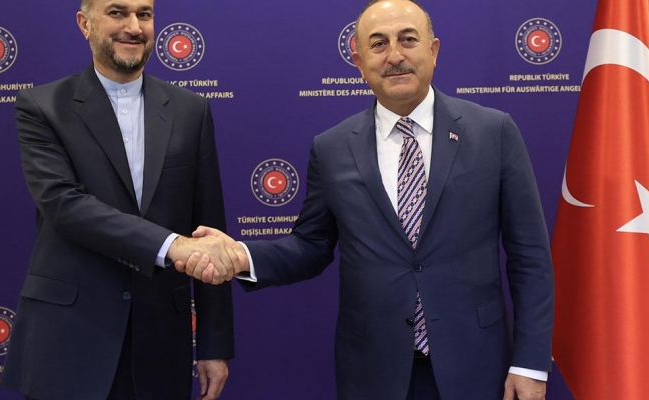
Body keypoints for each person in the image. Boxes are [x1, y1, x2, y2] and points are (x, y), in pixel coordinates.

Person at [178, 1, 554, 399]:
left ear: (434, 50)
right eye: (378, 44)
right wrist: (241, 256)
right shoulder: (332, 148)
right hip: (374, 372)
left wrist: (530, 364)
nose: (395, 55)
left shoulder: (493, 132)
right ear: (359, 62)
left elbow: (530, 257)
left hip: (477, 367)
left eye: (408, 39)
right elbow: (310, 246)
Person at [0, 0, 237, 399]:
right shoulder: (42, 106)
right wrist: (172, 245)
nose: (134, 27)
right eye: (117, 12)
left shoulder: (191, 110)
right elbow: (65, 206)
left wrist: (214, 343)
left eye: (144, 14)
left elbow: (208, 229)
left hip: (161, 342)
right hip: (70, 340)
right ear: (85, 24)